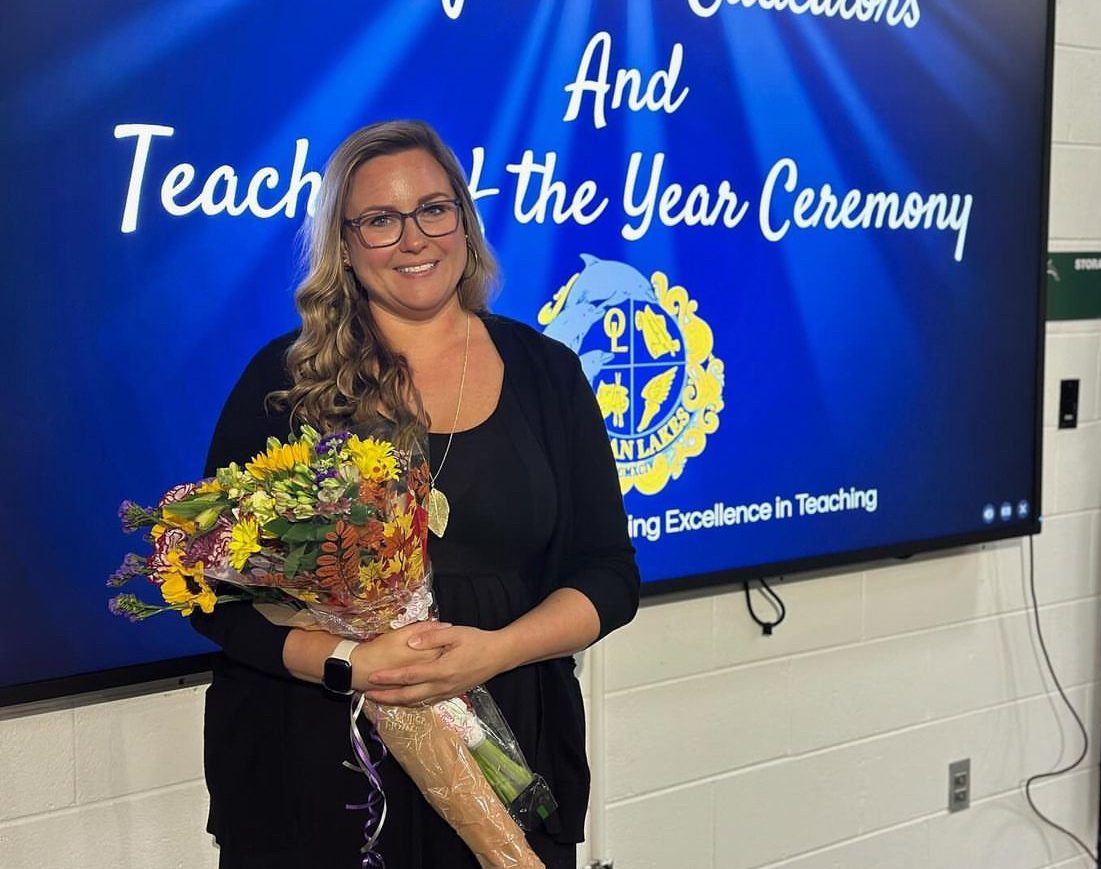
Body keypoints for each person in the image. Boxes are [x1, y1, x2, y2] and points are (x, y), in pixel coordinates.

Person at [192, 119, 640, 868]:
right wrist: (346, 661)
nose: (413, 239)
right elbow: (214, 594)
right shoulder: (283, 385)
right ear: (342, 241)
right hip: (313, 769)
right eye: (379, 220)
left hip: (506, 747)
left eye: (433, 208)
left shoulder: (547, 373)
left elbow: (607, 574)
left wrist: (492, 653)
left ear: (463, 220)